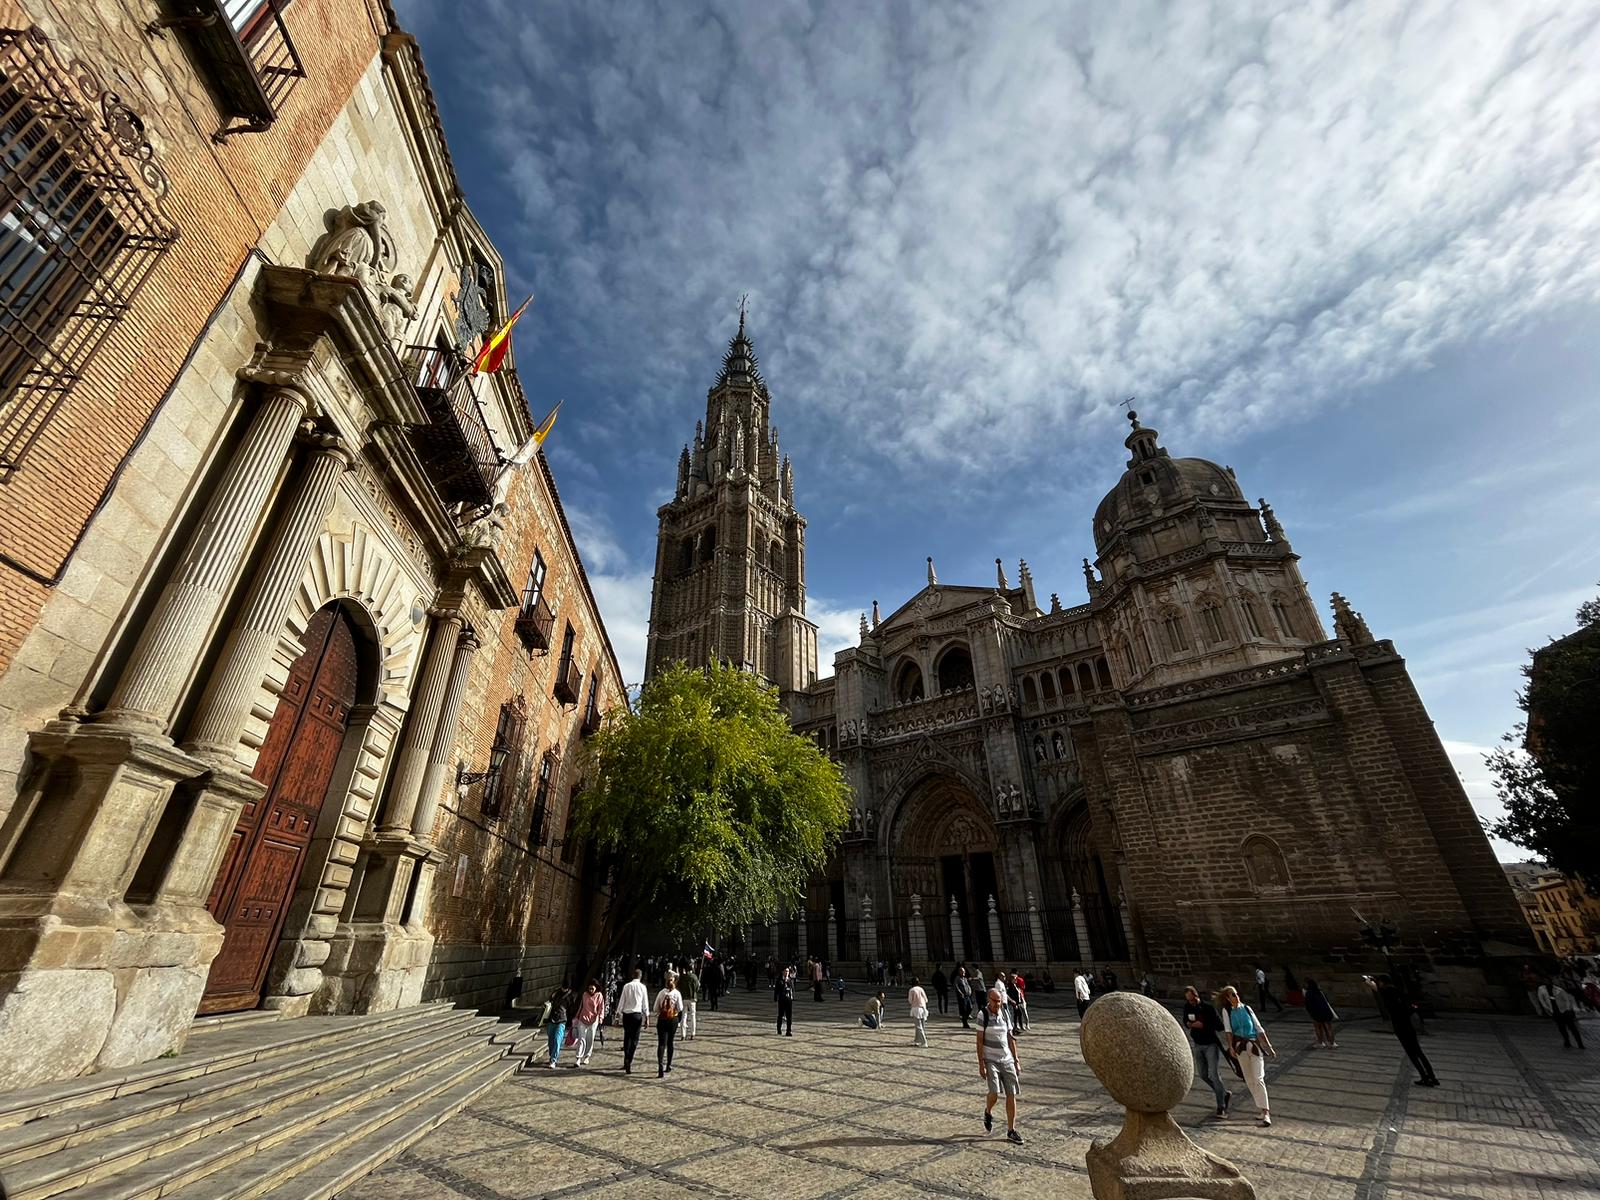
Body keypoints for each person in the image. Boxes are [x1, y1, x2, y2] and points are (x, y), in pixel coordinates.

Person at [1220, 985, 1275, 1126]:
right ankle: (1261, 1109)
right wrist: (1231, 1047)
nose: (1236, 996)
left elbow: (1259, 1028)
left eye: (1236, 994)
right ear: (1227, 998)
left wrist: (1269, 1047)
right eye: (1232, 995)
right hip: (1240, 1048)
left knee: (1258, 1078)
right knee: (1250, 1080)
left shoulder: (1247, 1009)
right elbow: (1228, 1031)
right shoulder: (1227, 1011)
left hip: (1253, 1046)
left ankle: (1266, 1113)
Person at [977, 986, 1023, 1144]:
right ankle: (988, 1111)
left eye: (1000, 1001)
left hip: (1007, 1059)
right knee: (994, 1092)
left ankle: (1011, 1130)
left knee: (1011, 1094)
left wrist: (1016, 1060)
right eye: (995, 1001)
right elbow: (979, 1040)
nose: (998, 1004)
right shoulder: (982, 1014)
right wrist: (981, 1063)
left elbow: (1010, 1038)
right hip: (990, 1060)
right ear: (988, 1000)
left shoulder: (1005, 1013)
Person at [1372, 975, 1439, 1084]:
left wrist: (1373, 985)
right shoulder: (1399, 991)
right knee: (1419, 1052)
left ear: (1383, 983)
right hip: (1408, 1024)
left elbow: (1381, 993)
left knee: (1412, 1053)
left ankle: (1424, 1077)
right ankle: (1432, 1076)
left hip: (1400, 1026)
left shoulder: (1387, 993)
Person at [1182, 985, 1230, 1118]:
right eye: (1189, 1000)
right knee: (1203, 1075)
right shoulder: (1187, 1007)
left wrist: (1204, 1025)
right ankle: (1223, 1093)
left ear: (1197, 995)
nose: (1191, 1002)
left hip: (1210, 1045)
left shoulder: (1208, 1008)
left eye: (1193, 999)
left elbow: (1220, 1026)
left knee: (1214, 1075)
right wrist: (1189, 1024)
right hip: (1198, 1044)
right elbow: (1185, 1020)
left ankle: (1221, 1106)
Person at [1538, 975, 1586, 1050]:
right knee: (1561, 1027)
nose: (1546, 982)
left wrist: (1567, 1009)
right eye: (1544, 980)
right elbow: (1541, 1000)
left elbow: (1566, 999)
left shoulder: (1558, 989)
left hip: (1564, 1011)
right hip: (1554, 1011)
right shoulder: (1541, 989)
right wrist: (1547, 1008)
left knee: (1572, 1028)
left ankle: (1580, 1043)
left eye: (1547, 980)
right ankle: (1567, 1041)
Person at [652, 971, 684, 1077]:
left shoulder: (662, 993)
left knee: (661, 1044)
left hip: (662, 1020)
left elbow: (655, 1008)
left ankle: (660, 1066)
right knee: (670, 1042)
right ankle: (668, 1065)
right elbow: (680, 1008)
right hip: (673, 1020)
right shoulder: (677, 993)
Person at [618, 968, 649, 1075]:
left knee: (627, 1037)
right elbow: (645, 1003)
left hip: (627, 1015)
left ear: (633, 975)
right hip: (637, 1015)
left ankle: (626, 1057)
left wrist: (618, 1014)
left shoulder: (627, 986)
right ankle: (629, 1058)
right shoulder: (642, 987)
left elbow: (622, 1001)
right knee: (635, 1039)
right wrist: (647, 1017)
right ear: (640, 976)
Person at [571, 979, 606, 1068]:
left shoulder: (599, 996)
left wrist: (601, 1018)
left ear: (596, 988)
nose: (590, 990)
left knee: (590, 1038)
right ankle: (578, 1058)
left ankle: (587, 1056)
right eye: (589, 988)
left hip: (594, 1020)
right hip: (583, 1019)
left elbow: (601, 1008)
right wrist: (577, 1016)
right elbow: (581, 1006)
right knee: (581, 1039)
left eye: (592, 989)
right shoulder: (584, 995)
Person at [1304, 979, 1338, 1048]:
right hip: (1326, 1011)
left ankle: (1320, 1042)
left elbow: (1308, 1005)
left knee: (1318, 1027)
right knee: (1329, 1028)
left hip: (1317, 1013)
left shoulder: (1309, 993)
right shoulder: (1320, 992)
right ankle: (1332, 1043)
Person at [544, 982, 570, 1069]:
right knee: (551, 1040)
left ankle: (553, 1059)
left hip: (562, 1020)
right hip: (551, 1019)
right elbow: (549, 1001)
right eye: (563, 987)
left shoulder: (569, 996)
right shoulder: (556, 993)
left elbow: (571, 1008)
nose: (564, 989)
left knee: (557, 1039)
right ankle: (552, 1056)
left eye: (565, 988)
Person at [679, 963, 701, 1040]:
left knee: (684, 1015)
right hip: (692, 998)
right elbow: (697, 988)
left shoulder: (682, 977)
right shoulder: (694, 977)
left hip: (684, 997)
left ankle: (683, 1034)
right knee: (692, 1016)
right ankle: (692, 1033)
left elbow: (679, 986)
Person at [909, 977, 930, 1046]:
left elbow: (910, 1000)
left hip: (916, 1009)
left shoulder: (912, 990)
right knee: (922, 1026)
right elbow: (926, 999)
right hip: (923, 1008)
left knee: (918, 1026)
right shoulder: (921, 989)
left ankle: (924, 1042)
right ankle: (917, 1040)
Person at [775, 963, 795, 1036]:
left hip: (789, 999)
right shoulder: (779, 980)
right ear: (782, 972)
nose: (787, 973)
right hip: (782, 999)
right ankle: (779, 1029)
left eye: (788, 971)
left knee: (789, 1016)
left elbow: (792, 989)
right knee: (780, 1015)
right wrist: (785, 981)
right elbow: (777, 989)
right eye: (786, 971)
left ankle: (788, 1030)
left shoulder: (790, 980)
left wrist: (793, 996)